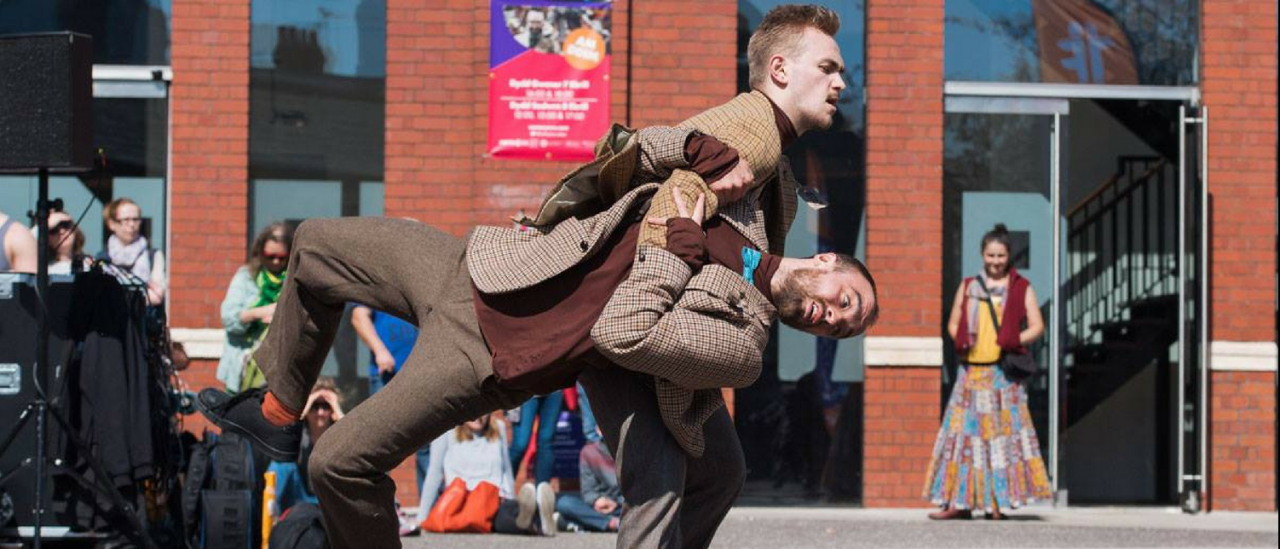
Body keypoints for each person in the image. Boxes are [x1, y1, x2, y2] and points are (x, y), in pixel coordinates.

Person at [195, 184, 877, 549]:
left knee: (335, 462)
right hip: (478, 262)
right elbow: (746, 120)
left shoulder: (743, 330)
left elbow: (644, 362)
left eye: (845, 326)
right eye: (845, 300)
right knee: (314, 246)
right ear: (825, 262)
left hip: (488, 350)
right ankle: (276, 414)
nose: (834, 317)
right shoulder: (750, 202)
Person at [924, 223, 1052, 520]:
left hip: (1001, 375)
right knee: (961, 439)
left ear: (1009, 256)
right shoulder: (970, 286)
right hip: (970, 373)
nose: (995, 261)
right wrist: (962, 339)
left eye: (1001, 255)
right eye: (991, 255)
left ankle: (997, 503)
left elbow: (1037, 326)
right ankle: (958, 501)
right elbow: (953, 322)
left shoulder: (1021, 287)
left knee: (1000, 440)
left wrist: (1012, 340)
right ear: (982, 255)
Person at [413, 414, 555, 536]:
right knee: (502, 521)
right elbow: (434, 473)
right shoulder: (447, 432)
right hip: (464, 502)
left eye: (483, 411)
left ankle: (535, 517)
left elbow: (506, 469)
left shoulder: (498, 427)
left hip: (495, 499)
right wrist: (422, 517)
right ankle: (538, 524)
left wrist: (511, 499)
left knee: (510, 510)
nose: (478, 416)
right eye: (472, 411)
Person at [350, 305, 431, 496]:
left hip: (420, 373)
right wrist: (380, 351)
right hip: (388, 374)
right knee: (381, 443)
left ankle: (429, 509)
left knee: (426, 441)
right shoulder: (379, 275)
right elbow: (358, 316)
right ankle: (381, 506)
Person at [218, 222, 292, 393]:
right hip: (243, 368)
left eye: (282, 257)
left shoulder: (294, 281)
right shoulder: (246, 277)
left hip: (279, 373)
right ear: (260, 252)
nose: (275, 261)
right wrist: (260, 313)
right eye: (270, 255)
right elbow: (229, 318)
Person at [269, 377, 344, 513]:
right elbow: (280, 438)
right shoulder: (298, 432)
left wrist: (337, 408)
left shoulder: (339, 433)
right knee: (281, 465)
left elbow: (358, 445)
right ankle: (271, 522)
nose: (320, 412)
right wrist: (307, 401)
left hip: (331, 499)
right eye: (315, 406)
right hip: (300, 498)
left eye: (326, 406)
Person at [99, 198, 166, 305]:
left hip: (143, 319)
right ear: (112, 224)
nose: (132, 225)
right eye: (126, 220)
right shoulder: (102, 258)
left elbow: (157, 295)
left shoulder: (153, 256)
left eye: (136, 219)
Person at [554, 432, 622, 533]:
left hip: (622, 507)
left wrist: (617, 503)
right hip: (597, 507)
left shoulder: (631, 450)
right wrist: (596, 500)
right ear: (598, 429)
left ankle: (579, 524)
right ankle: (611, 523)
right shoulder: (589, 452)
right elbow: (588, 491)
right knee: (564, 503)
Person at [506, 390, 563, 486]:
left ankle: (542, 493)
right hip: (525, 387)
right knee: (520, 445)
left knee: (546, 441)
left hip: (554, 387)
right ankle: (504, 490)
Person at [39, 210, 91, 274]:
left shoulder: (89, 264)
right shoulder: (41, 269)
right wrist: (44, 226)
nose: (62, 231)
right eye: (54, 229)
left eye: (65, 225)